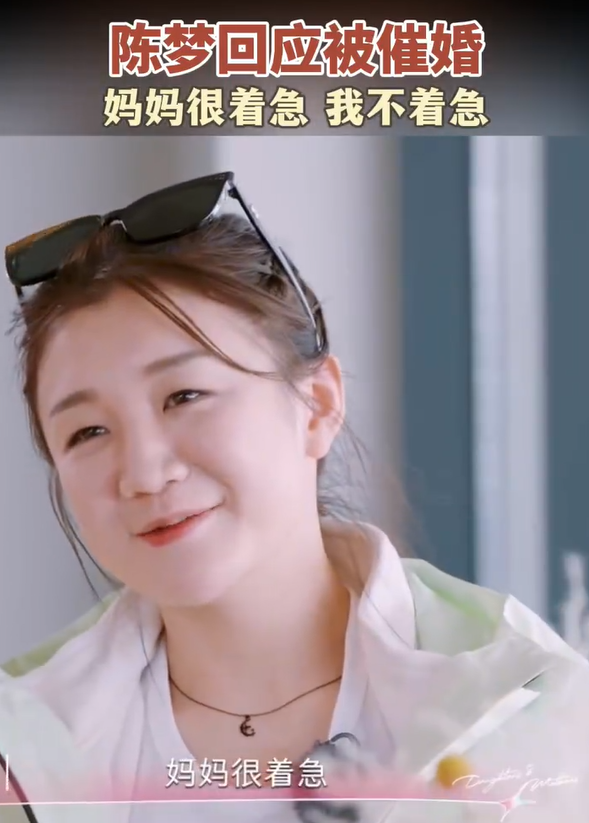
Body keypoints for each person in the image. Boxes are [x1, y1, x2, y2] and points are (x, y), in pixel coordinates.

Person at [0, 171, 588, 823]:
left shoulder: (530, 707)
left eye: (184, 396)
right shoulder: (20, 747)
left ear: (318, 404)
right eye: (87, 432)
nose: (142, 472)